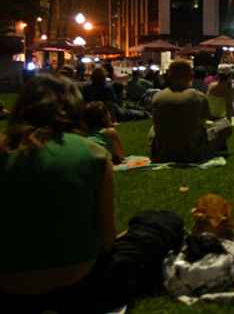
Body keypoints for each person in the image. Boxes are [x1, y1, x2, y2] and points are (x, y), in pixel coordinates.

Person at [0, 74, 182, 313]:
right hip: (80, 286)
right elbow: (106, 241)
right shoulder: (92, 153)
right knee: (161, 222)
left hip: (8, 289)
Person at [150, 60, 232, 163]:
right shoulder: (197, 96)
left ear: (169, 76)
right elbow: (205, 120)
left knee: (153, 128)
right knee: (225, 124)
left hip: (162, 153)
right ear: (190, 75)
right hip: (192, 152)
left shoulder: (157, 97)